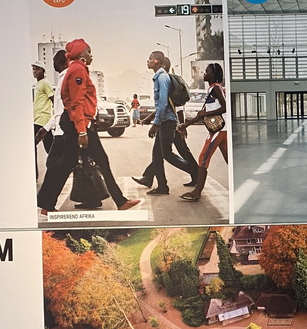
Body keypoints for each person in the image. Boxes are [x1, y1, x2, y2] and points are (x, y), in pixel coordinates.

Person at [36, 38, 138, 214]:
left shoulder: (78, 69)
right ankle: (120, 202)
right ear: (80, 53)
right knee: (100, 161)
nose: (91, 55)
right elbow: (76, 103)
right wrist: (82, 131)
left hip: (76, 123)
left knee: (67, 164)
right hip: (77, 124)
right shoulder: (77, 70)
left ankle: (46, 204)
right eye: (88, 51)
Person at [134, 51, 198, 195]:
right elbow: (162, 105)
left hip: (167, 122)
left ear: (156, 61)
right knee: (157, 156)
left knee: (167, 154)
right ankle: (162, 186)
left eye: (150, 59)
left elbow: (163, 104)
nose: (148, 61)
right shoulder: (159, 77)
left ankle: (195, 170)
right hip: (166, 121)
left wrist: (155, 124)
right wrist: (152, 119)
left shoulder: (162, 78)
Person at [177, 62, 228, 201]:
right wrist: (186, 124)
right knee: (229, 158)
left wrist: (204, 115)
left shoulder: (215, 88)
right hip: (221, 129)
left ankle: (197, 192)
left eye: (207, 71)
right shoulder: (212, 89)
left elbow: (224, 107)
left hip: (219, 130)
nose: (204, 73)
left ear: (214, 75)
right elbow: (203, 113)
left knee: (203, 158)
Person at [32, 61, 54, 175]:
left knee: (31, 145)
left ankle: (34, 174)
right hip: (38, 119)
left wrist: (55, 118)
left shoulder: (45, 83)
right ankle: (58, 168)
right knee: (50, 148)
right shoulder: (38, 84)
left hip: (43, 119)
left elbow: (53, 99)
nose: (35, 71)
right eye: (33, 69)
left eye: (37, 69)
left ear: (43, 71)